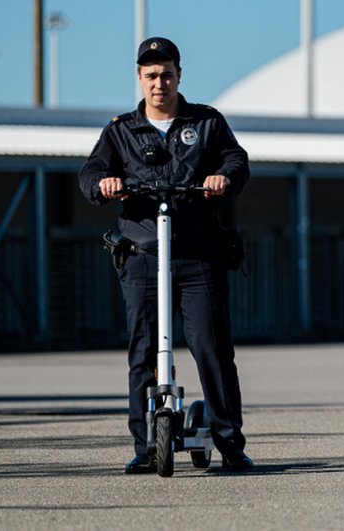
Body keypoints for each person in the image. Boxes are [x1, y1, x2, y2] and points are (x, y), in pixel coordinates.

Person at [78, 37, 253, 473]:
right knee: (143, 352)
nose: (160, 82)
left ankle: (230, 443)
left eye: (167, 73)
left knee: (211, 348)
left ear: (179, 75)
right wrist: (104, 185)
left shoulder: (207, 122)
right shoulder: (120, 130)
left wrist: (222, 177)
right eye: (151, 75)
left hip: (197, 254)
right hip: (142, 255)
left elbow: (237, 160)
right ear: (140, 78)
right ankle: (144, 447)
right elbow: (91, 172)